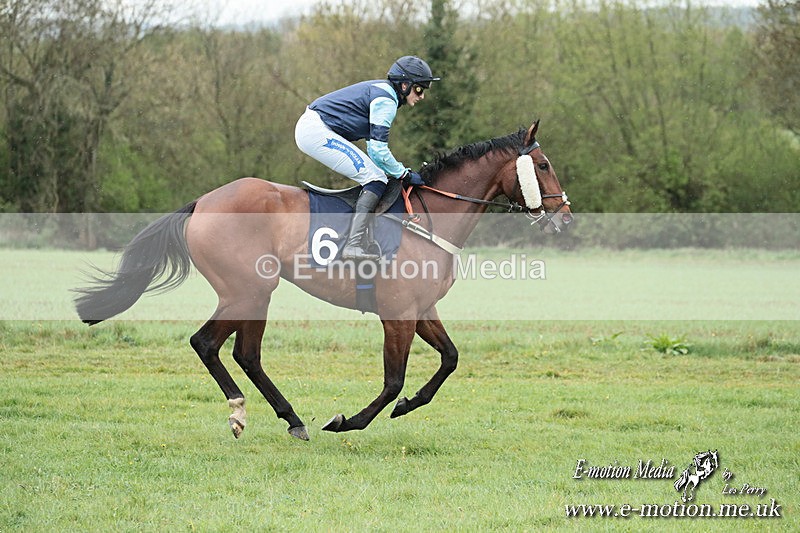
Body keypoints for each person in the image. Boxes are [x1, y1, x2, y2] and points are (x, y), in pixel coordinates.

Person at [295, 56, 439, 260]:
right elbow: (380, 151)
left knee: (377, 175)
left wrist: (397, 170)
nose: (422, 96)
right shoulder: (386, 101)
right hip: (316, 131)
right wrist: (404, 173)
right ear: (405, 85)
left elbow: (374, 150)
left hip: (313, 128)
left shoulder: (384, 94)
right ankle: (353, 245)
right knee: (376, 179)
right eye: (419, 89)